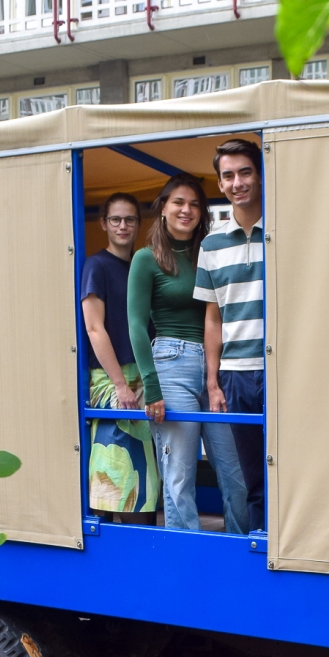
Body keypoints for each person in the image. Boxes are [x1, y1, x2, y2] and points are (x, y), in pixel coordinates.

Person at [127, 174, 248, 533]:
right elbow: (135, 325)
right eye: (179, 202)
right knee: (179, 474)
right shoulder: (145, 259)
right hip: (171, 363)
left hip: (218, 369)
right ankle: (187, 559)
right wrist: (152, 387)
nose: (187, 210)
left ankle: (239, 551)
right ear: (163, 207)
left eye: (195, 204)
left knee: (234, 471)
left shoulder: (211, 252)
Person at [197, 138, 267, 532]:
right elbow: (213, 318)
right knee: (252, 480)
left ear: (258, 175)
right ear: (220, 184)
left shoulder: (281, 230)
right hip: (236, 375)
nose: (237, 182)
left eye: (245, 172)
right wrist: (213, 382)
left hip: (281, 368)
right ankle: (261, 556)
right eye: (228, 175)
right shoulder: (211, 244)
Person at [82, 192, 159, 519]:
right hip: (112, 379)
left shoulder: (142, 264)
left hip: (144, 377)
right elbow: (94, 328)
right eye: (116, 219)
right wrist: (119, 384)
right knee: (115, 473)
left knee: (148, 476)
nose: (123, 226)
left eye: (129, 219)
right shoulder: (96, 265)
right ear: (104, 224)